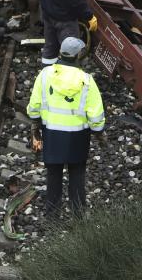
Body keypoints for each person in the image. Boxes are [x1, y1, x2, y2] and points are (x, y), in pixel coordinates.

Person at [26, 37, 105, 219]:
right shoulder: (86, 80)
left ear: (61, 52)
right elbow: (95, 115)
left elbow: (34, 106)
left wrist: (35, 125)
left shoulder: (45, 75)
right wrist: (99, 131)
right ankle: (78, 215)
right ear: (78, 55)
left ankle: (52, 216)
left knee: (53, 174)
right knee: (77, 174)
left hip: (52, 134)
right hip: (78, 137)